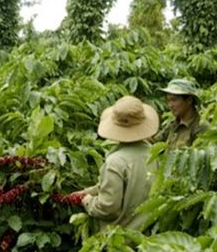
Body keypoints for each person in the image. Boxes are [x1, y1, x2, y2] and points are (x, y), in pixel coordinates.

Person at [69, 95, 159, 230]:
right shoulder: (153, 152)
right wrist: (88, 191)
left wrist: (86, 200)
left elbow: (107, 208)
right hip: (149, 236)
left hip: (120, 240)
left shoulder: (115, 162)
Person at [156, 78, 209, 148]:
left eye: (174, 100)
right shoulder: (172, 125)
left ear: (189, 100)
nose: (170, 105)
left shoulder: (200, 127)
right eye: (168, 101)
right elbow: (155, 142)